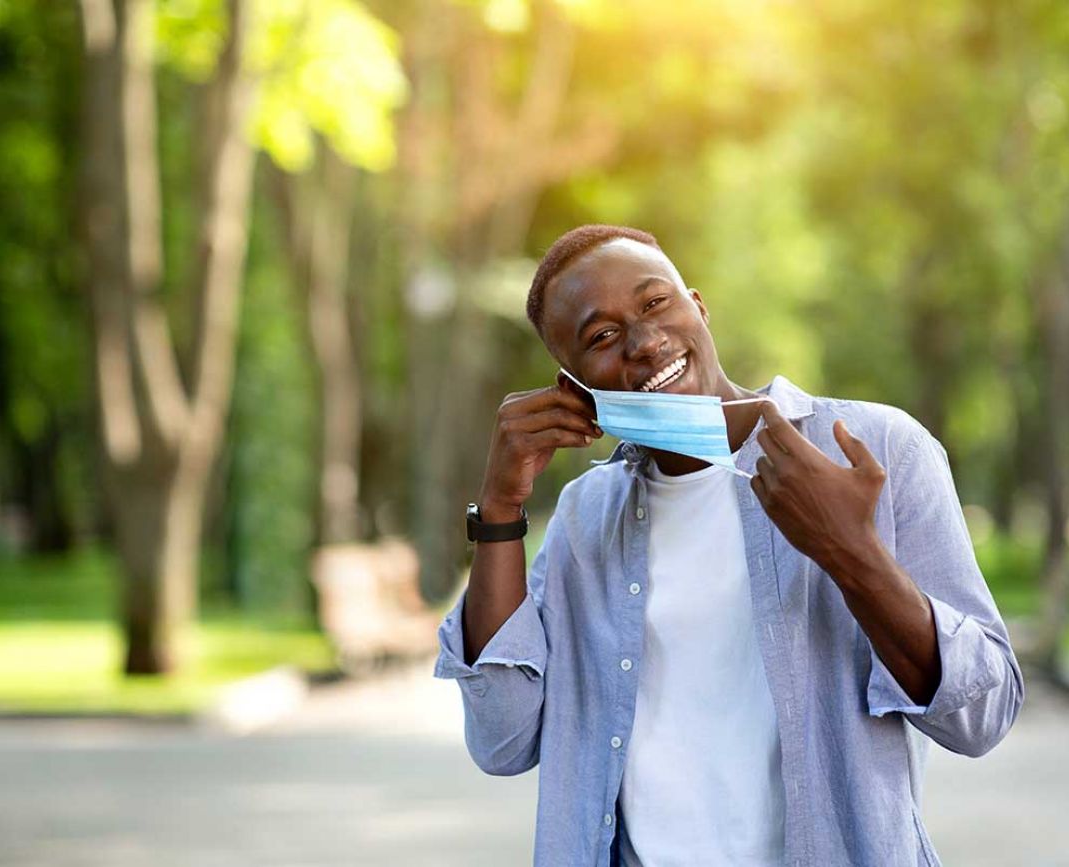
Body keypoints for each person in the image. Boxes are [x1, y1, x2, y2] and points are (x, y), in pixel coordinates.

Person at [435, 224, 1024, 867]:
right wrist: (498, 511)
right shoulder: (584, 520)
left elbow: (981, 718)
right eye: (601, 336)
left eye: (656, 303)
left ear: (698, 306)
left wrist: (850, 553)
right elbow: (502, 740)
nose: (643, 341)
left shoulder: (879, 449)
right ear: (575, 388)